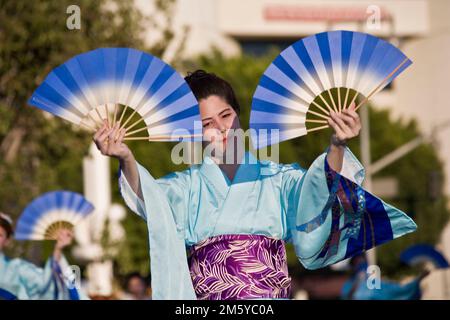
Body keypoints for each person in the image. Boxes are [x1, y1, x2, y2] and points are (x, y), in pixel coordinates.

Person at [93, 70, 417, 300]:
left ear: (238, 115)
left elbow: (315, 192)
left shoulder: (277, 179)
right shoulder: (188, 186)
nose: (220, 128)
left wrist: (337, 144)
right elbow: (150, 197)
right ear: (192, 132)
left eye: (226, 115)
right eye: (206, 123)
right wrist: (126, 158)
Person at [0, 212, 84, 300]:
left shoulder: (17, 268)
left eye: (0, 235)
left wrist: (57, 249)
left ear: (7, 240)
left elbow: (45, 285)